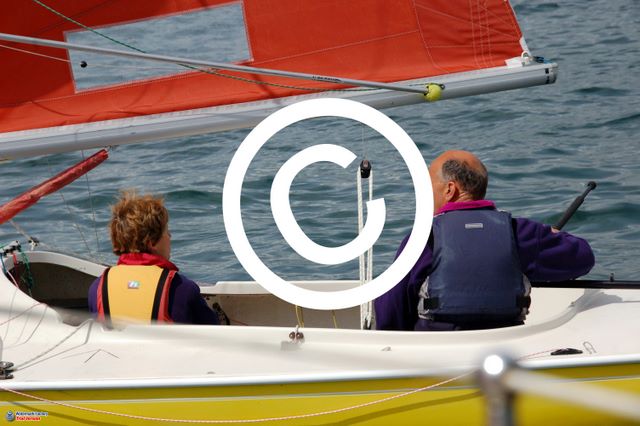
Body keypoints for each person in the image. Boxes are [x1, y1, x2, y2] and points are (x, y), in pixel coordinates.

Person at [374, 150, 595, 331]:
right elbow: (583, 258)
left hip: (436, 350)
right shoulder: (520, 232)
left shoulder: (422, 240)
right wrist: (553, 237)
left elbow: (389, 313)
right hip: (504, 347)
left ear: (450, 189)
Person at [88, 190, 220, 325]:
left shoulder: (97, 287)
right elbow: (213, 330)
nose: (170, 236)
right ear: (152, 242)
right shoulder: (182, 288)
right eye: (166, 231)